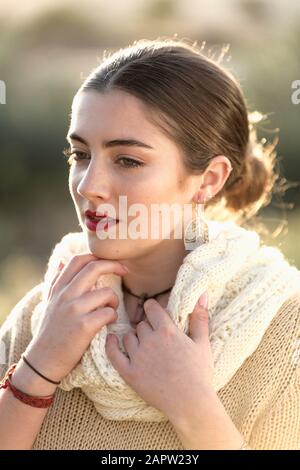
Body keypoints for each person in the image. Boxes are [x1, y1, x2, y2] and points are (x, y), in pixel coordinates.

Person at [0, 37, 300, 450]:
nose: (89, 187)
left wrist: (193, 406)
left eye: (127, 160)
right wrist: (38, 367)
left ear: (208, 179)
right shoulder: (44, 313)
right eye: (80, 155)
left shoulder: (286, 332)